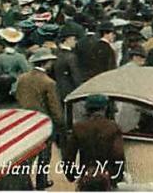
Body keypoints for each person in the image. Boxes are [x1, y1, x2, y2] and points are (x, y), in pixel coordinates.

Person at [16, 48, 64, 190]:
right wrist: (60, 124)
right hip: (43, 122)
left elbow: (18, 97)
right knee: (44, 156)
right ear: (46, 63)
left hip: (25, 120)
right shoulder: (49, 82)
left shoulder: (22, 78)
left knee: (26, 155)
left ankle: (23, 181)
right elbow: (54, 107)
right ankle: (41, 182)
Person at [62, 94, 125, 190]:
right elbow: (119, 155)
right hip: (105, 179)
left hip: (86, 176)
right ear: (105, 108)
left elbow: (69, 157)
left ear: (87, 109)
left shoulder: (79, 127)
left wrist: (71, 175)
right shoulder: (113, 128)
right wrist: (115, 177)